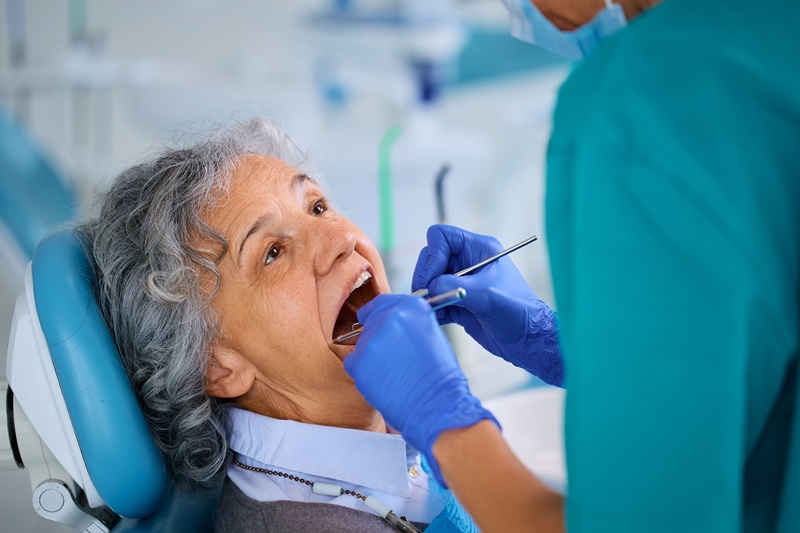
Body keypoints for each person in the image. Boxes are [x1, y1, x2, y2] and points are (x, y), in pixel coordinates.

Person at [343, 0, 800, 532]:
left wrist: (444, 420)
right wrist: (558, 344)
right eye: (272, 252)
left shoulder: (643, 106)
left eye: (319, 206)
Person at [78, 118, 478, 532]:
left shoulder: (396, 429)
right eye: (272, 253)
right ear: (218, 367)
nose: (339, 240)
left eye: (317, 207)